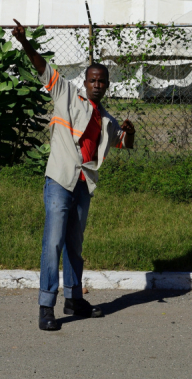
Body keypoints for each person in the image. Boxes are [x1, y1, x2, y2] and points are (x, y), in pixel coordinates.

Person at [12, 19, 135, 331]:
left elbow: (124, 144)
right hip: (59, 180)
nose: (97, 84)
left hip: (83, 186)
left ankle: (74, 298)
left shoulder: (107, 119)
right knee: (52, 242)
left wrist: (130, 133)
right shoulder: (66, 94)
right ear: (85, 80)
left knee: (75, 247)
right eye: (93, 79)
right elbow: (43, 67)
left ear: (107, 85)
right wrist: (25, 42)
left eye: (102, 81)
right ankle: (45, 306)